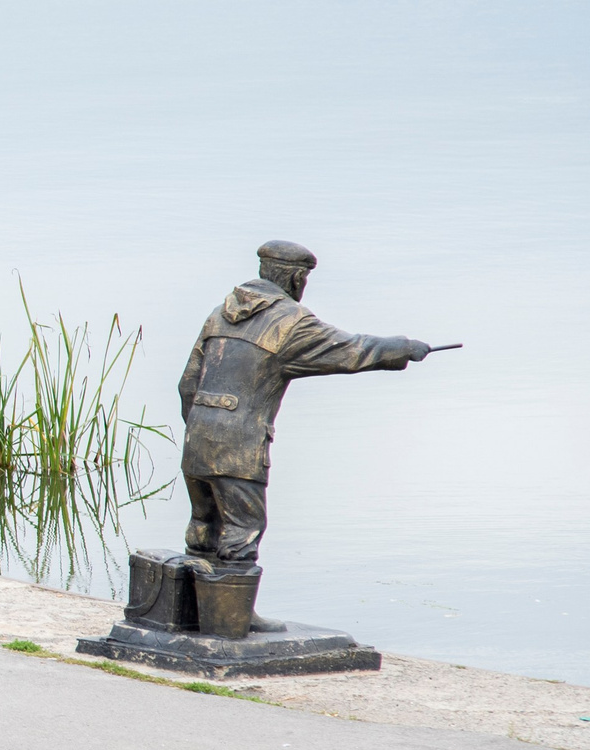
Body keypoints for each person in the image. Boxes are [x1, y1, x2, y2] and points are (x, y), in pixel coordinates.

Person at [178, 240, 431, 597]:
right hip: (239, 446)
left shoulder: (219, 314)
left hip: (198, 438)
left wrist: (201, 426)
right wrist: (403, 347)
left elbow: (187, 384)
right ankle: (230, 623)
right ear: (297, 279)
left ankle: (187, 614)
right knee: (242, 531)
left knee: (203, 526)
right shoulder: (289, 322)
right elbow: (350, 349)